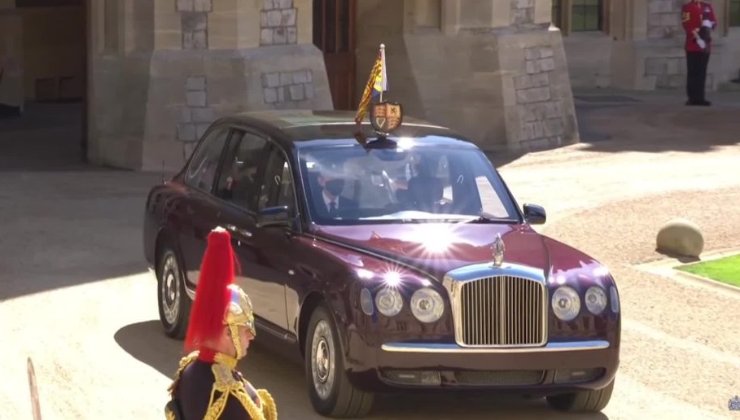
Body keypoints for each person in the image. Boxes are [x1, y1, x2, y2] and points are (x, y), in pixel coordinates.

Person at [164, 227, 277, 420]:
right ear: (227, 332)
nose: (251, 335)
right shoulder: (231, 399)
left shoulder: (188, 370)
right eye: (245, 329)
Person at [682, 0, 716, 106]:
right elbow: (687, 24)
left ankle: (700, 97)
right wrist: (698, 38)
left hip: (705, 44)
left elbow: (713, 21)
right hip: (693, 44)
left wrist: (709, 25)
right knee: (693, 72)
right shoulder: (688, 7)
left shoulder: (707, 6)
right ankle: (692, 98)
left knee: (702, 72)